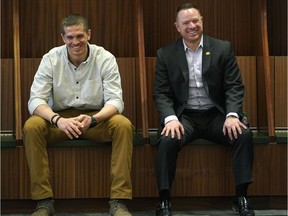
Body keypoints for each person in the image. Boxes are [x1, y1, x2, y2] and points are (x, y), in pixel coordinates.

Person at [23, 14, 134, 216]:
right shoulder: (50, 59)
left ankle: (119, 201)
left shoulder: (105, 58)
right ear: (62, 38)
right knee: (32, 127)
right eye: (70, 37)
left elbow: (116, 101)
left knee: (123, 125)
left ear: (89, 34)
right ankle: (43, 202)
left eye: (80, 36)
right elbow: (35, 100)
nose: (75, 42)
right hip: (60, 119)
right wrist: (58, 120)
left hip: (96, 118)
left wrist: (93, 119)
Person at [153, 2, 254, 216]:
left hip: (216, 116)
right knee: (166, 140)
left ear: (202, 21)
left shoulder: (222, 48)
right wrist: (170, 118)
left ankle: (241, 196)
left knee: (243, 134)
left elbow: (234, 86)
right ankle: (164, 200)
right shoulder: (166, 54)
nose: (192, 26)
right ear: (177, 27)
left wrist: (232, 114)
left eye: (195, 21)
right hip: (185, 117)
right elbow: (161, 93)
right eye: (186, 23)